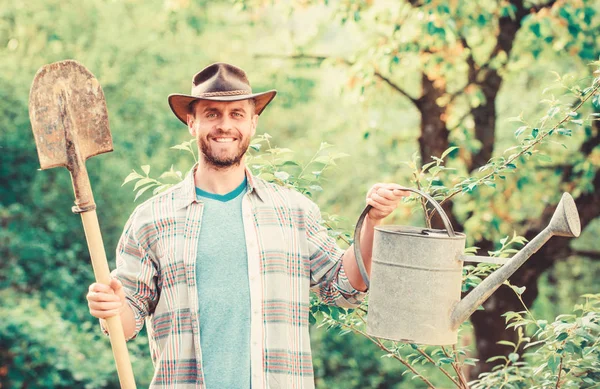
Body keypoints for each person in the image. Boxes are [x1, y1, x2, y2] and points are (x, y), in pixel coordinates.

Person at [86, 62, 409, 389]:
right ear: (191, 122)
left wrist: (373, 221)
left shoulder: (293, 212)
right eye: (212, 114)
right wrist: (112, 308)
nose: (225, 125)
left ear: (253, 123)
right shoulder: (151, 219)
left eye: (237, 114)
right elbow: (125, 325)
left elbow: (345, 285)